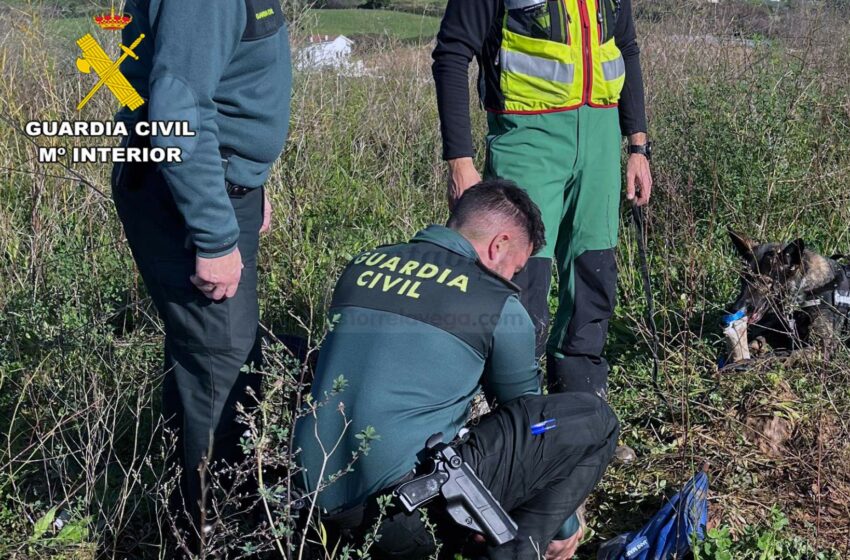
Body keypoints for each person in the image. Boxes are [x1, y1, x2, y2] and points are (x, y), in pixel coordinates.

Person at [294, 181, 619, 559]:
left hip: (309, 512)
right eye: (515, 269)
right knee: (595, 422)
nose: (513, 281)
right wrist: (561, 519)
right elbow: (533, 426)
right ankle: (521, 551)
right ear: (498, 245)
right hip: (404, 519)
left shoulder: (362, 265)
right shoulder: (497, 303)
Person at [110, 0, 291, 533]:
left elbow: (213, 82)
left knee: (204, 356)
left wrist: (248, 178)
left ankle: (185, 506)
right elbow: (177, 109)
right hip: (187, 196)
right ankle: (213, 530)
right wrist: (214, 233)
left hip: (210, 180)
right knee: (221, 370)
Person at [432, 0, 653, 397]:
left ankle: (579, 411)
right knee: (519, 285)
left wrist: (638, 146)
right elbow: (451, 53)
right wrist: (459, 162)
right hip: (527, 139)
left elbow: (627, 46)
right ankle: (514, 415)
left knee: (593, 277)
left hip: (601, 140)